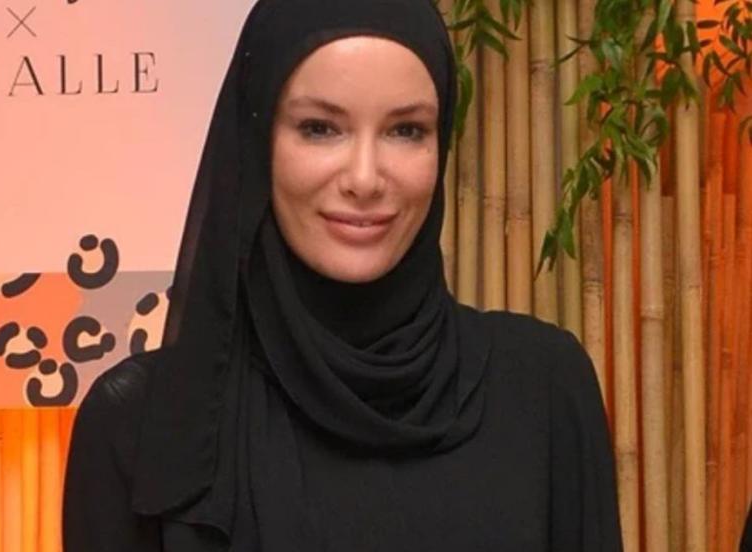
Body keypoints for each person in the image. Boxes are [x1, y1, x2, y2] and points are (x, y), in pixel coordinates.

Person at [62, 0, 623, 550]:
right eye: (320, 128)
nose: (365, 178)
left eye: (406, 131)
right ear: (258, 141)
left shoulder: (544, 391)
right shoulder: (139, 425)